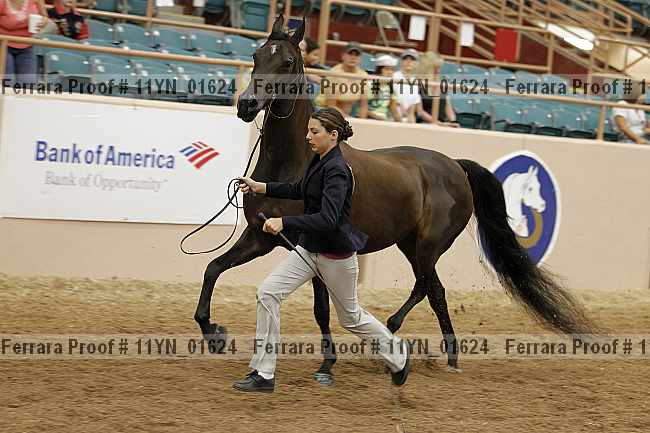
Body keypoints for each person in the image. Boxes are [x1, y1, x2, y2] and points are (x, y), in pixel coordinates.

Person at [234, 107, 410, 393]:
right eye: (308, 131)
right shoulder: (319, 160)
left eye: (314, 132)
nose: (307, 136)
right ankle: (264, 374)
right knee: (268, 293)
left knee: (351, 318)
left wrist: (285, 222)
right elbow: (298, 190)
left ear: (333, 135)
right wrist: (260, 187)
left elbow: (328, 219)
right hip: (308, 250)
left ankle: (398, 354)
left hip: (336, 257)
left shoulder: (338, 170)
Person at [0, 0, 49, 85]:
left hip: (27, 45)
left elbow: (45, 16)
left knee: (28, 84)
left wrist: (43, 22)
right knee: (8, 83)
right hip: (3, 45)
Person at [321, 42, 369, 118]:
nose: (353, 57)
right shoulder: (333, 73)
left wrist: (362, 122)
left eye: (356, 55)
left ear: (361, 59)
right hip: (327, 114)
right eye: (350, 54)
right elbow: (331, 105)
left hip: (350, 115)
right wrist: (349, 121)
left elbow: (364, 105)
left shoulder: (363, 75)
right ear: (343, 56)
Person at [416, 51, 458, 127]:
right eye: (435, 68)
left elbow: (448, 107)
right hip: (424, 124)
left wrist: (453, 121)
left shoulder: (441, 84)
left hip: (442, 124)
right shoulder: (418, 84)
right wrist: (440, 124)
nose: (438, 71)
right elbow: (420, 112)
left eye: (439, 68)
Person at [612, 80, 649, 144]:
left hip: (643, 136)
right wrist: (637, 139)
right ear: (636, 94)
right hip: (628, 139)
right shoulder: (622, 104)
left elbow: (642, 127)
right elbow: (622, 127)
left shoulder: (640, 108)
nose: (645, 96)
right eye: (643, 94)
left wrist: (647, 128)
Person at [392, 48, 424, 123]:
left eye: (412, 59)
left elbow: (411, 112)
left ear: (417, 63)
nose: (409, 61)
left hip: (407, 119)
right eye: (405, 58)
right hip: (392, 117)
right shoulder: (393, 76)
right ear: (401, 61)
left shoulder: (416, 82)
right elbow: (393, 104)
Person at [367, 54, 401, 122]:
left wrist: (401, 123)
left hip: (383, 121)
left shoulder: (390, 88)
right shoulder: (369, 84)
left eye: (392, 70)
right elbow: (362, 108)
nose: (390, 72)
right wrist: (379, 118)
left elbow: (393, 108)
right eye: (387, 69)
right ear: (379, 70)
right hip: (369, 120)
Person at [299, 37, 327, 110]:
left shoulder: (320, 68)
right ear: (306, 54)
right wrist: (308, 75)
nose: (317, 58)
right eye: (315, 55)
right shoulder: (297, 65)